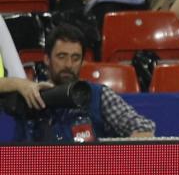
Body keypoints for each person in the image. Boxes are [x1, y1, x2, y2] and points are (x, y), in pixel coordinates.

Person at [11, 25, 155, 142]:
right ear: (47, 59)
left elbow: (143, 128)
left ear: (82, 61)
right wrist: (18, 85)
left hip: (90, 173)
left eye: (75, 58)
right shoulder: (31, 96)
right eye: (61, 57)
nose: (68, 64)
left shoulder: (99, 95)